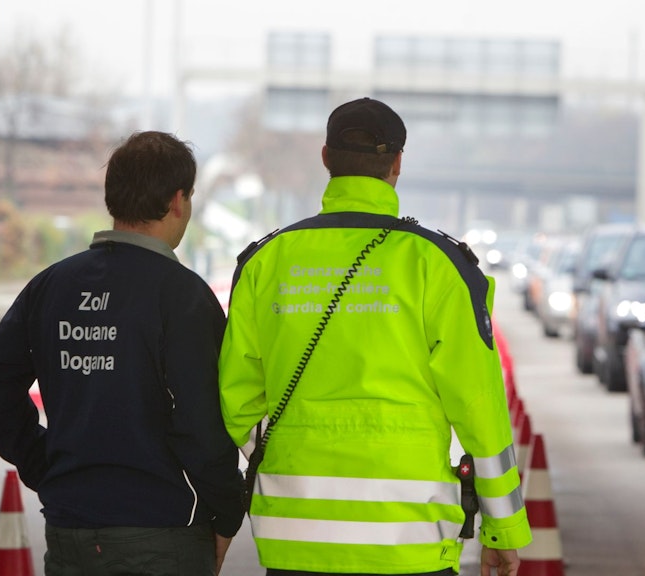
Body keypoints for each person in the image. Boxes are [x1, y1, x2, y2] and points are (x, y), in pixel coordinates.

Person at [219, 97, 531, 575]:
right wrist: (502, 530)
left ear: (326, 158)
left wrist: (290, 446)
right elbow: (479, 409)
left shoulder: (267, 263)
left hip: (296, 543)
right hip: (410, 543)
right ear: (398, 164)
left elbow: (236, 400)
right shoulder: (437, 266)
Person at [0, 131, 244, 576]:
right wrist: (227, 510)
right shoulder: (182, 295)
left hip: (69, 530)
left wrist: (46, 464)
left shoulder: (51, 285)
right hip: (162, 534)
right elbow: (202, 423)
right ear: (179, 200)